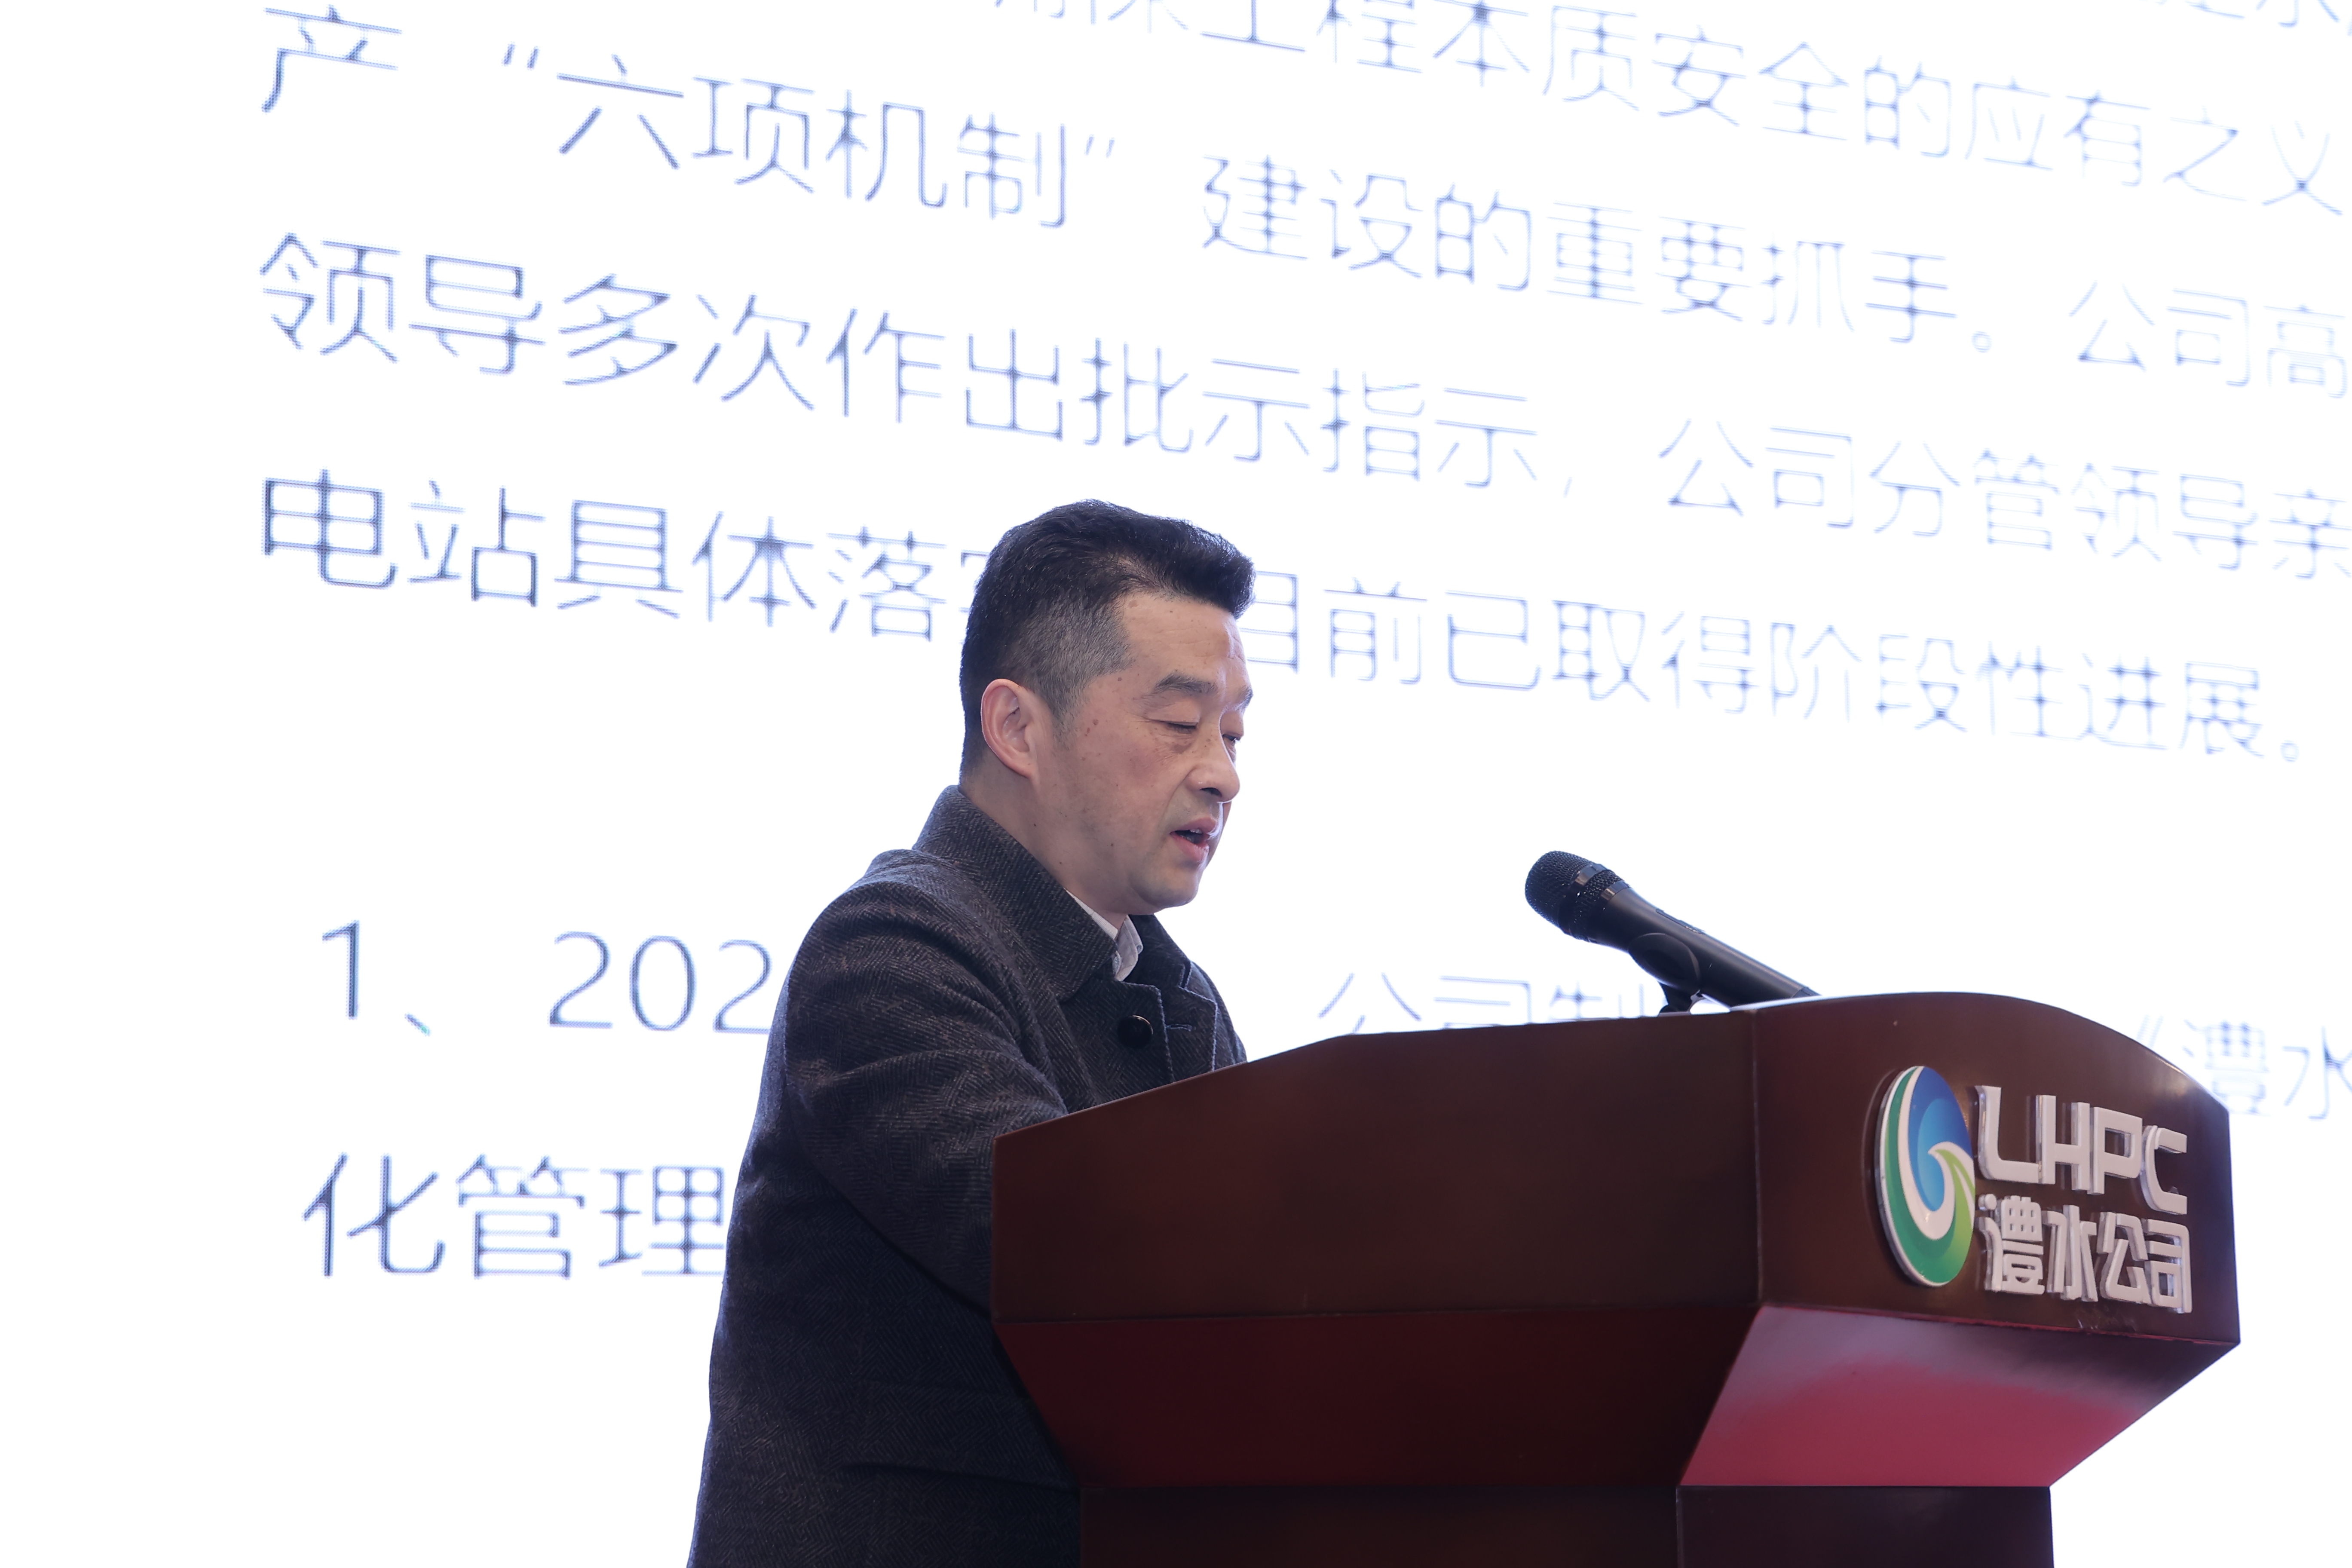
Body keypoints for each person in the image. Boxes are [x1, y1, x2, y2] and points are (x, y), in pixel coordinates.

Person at [686, 499, 1256, 1566]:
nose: (1223, 772)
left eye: (1232, 733)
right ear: (1018, 729)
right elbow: (1065, 1247)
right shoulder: (893, 944)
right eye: (1180, 723)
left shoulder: (1175, 993)